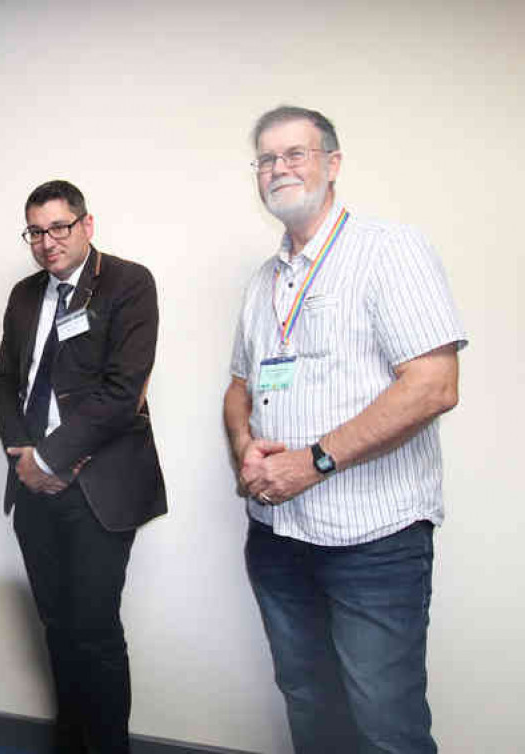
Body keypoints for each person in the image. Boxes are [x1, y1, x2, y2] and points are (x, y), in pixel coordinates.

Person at [223, 106, 466, 753]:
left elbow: (432, 384)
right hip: (278, 538)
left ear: (332, 164)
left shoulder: (389, 249)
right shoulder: (263, 282)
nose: (278, 169)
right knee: (310, 707)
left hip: (372, 543)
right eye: (266, 159)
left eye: (294, 154)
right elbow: (239, 388)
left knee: (385, 724)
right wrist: (244, 446)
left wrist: (314, 462)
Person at [0, 180, 166, 754]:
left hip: (98, 488)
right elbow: (5, 384)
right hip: (33, 486)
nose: (47, 243)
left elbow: (122, 392)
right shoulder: (23, 295)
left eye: (59, 228)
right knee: (58, 629)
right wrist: (23, 453)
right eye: (36, 232)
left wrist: (51, 457)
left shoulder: (128, 283)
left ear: (87, 225)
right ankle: (70, 743)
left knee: (94, 631)